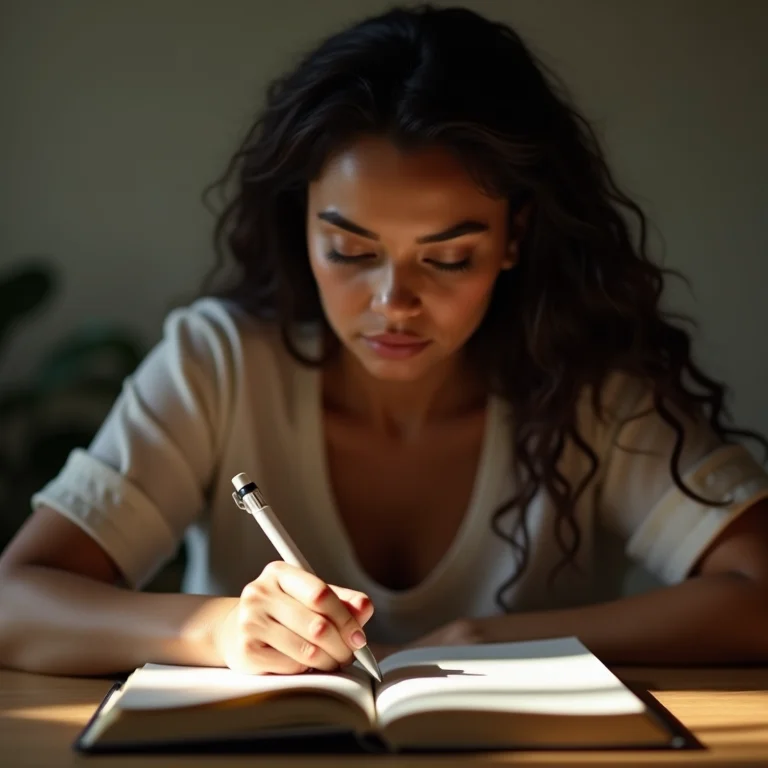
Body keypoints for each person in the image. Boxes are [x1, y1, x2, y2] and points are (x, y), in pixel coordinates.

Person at [1, 4, 767, 679]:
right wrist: (220, 630)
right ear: (302, 223)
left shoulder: (587, 385)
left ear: (514, 237)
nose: (393, 302)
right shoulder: (220, 364)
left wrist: (490, 639)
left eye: (449, 258)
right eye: (350, 251)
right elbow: (14, 601)